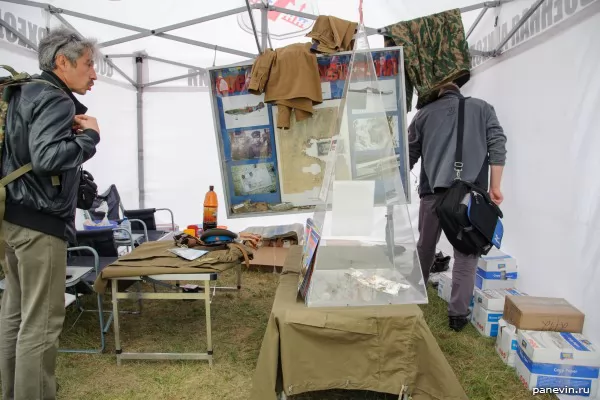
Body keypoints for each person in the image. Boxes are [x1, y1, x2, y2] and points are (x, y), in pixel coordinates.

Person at [0, 27, 100, 399]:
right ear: (63, 62)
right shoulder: (56, 99)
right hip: (41, 225)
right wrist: (89, 138)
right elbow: (46, 159)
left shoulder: (23, 91)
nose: (94, 73)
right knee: (41, 324)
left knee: (15, 316)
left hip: (12, 218)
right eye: (89, 64)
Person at [408, 82, 507, 332]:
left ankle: (413, 298)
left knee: (425, 246)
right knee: (467, 252)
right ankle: (458, 315)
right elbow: (498, 144)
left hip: (433, 193)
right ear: (458, 88)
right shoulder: (482, 108)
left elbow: (408, 155)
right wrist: (495, 186)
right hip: (470, 195)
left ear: (437, 91)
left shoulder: (424, 114)